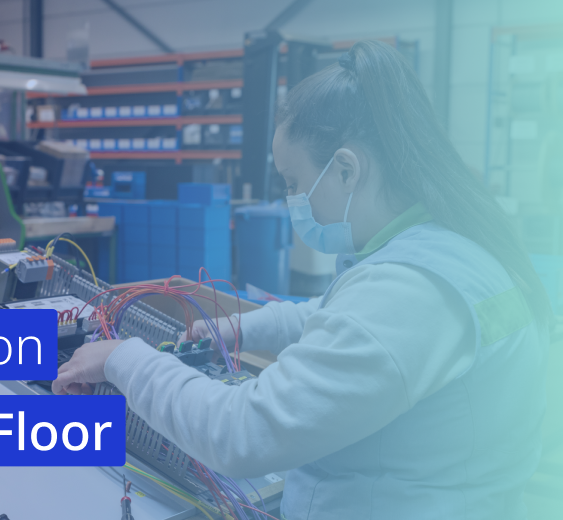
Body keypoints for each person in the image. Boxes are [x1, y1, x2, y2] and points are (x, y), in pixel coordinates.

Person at [52, 41, 551, 520]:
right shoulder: (446, 249)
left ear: (347, 171)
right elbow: (337, 315)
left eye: (293, 183)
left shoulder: (411, 294)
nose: (293, 201)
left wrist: (123, 359)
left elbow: (243, 432)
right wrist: (241, 328)